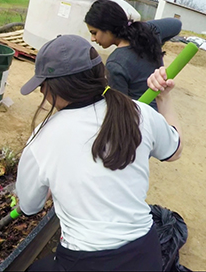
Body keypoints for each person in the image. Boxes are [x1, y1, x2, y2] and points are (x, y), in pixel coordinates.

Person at [16, 34, 183, 271]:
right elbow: (174, 151)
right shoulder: (140, 113)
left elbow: (30, 206)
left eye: (42, 85)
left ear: (54, 87)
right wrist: (164, 99)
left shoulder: (41, 140)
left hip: (85, 262)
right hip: (145, 254)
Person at [84, 0, 182, 110]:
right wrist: (148, 32)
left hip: (143, 120)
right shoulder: (149, 33)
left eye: (94, 33)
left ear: (107, 27)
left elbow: (120, 110)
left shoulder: (116, 63)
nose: (93, 39)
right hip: (163, 112)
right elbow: (176, 24)